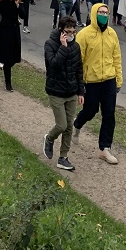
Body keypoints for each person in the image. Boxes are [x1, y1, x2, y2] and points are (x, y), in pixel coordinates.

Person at [73, 3, 124, 165]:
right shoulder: (84, 35)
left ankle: (105, 148)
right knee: (90, 110)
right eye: (101, 12)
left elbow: (117, 58)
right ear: (94, 14)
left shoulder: (112, 34)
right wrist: (79, 85)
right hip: (91, 81)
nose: (104, 15)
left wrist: (118, 80)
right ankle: (77, 124)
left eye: (106, 13)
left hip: (109, 79)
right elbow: (78, 61)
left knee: (109, 114)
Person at [43, 15, 85, 172]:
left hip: (72, 92)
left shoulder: (76, 46)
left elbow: (79, 70)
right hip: (56, 91)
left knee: (69, 127)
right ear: (61, 31)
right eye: (68, 32)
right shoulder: (50, 44)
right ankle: (49, 138)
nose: (71, 34)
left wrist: (81, 91)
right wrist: (63, 47)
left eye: (73, 32)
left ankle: (63, 157)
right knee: (61, 125)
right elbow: (53, 65)